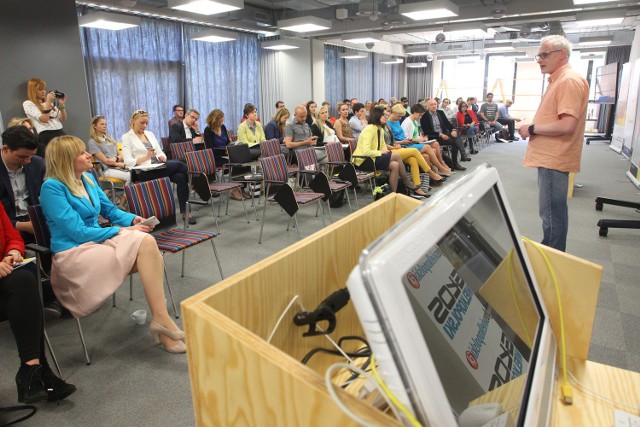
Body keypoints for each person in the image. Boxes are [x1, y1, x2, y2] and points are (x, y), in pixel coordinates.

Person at [40, 135, 186, 353]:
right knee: (146, 250)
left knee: (146, 242)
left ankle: (160, 318)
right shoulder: (51, 188)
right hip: (73, 252)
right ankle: (162, 322)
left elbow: (110, 210)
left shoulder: (87, 178)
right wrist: (121, 230)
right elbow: (77, 232)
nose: (88, 155)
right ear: (65, 159)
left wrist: (132, 219)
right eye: (81, 153)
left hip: (96, 241)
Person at [0, 203, 76, 403]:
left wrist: (13, 252)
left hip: (5, 273)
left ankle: (32, 370)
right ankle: (41, 374)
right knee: (25, 287)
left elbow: (13, 237)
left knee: (27, 278)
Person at [519, 35, 589, 252]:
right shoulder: (560, 79)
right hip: (551, 156)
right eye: (538, 55)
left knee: (552, 214)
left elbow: (567, 125)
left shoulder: (568, 81)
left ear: (562, 55)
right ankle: (552, 254)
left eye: (544, 54)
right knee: (553, 213)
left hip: (554, 158)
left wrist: (531, 128)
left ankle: (553, 259)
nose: (539, 59)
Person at [122, 110, 193, 224]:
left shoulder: (149, 134)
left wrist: (162, 157)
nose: (144, 126)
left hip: (159, 167)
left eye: (146, 123)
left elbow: (160, 152)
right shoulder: (127, 137)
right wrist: (145, 158)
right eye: (142, 123)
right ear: (134, 121)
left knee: (180, 177)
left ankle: (185, 212)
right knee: (179, 164)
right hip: (144, 172)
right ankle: (201, 181)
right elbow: (128, 162)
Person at [352, 106, 425, 196]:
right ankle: (406, 182)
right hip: (363, 161)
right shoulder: (369, 129)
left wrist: (391, 149)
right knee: (396, 156)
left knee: (395, 165)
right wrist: (381, 152)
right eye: (383, 115)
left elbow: (383, 147)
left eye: (386, 115)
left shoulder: (380, 129)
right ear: (376, 115)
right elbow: (366, 152)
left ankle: (392, 194)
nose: (386, 117)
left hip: (374, 158)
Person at [0, 126, 45, 241]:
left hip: (34, 221)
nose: (27, 161)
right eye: (22, 156)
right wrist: (21, 225)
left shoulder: (37, 164)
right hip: (5, 227)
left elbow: (42, 197)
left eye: (31, 155)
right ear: (5, 149)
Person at [386, 104, 444, 189]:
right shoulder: (388, 124)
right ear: (394, 113)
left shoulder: (396, 121)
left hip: (402, 144)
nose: (400, 118)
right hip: (399, 146)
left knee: (415, 159)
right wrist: (404, 141)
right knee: (421, 150)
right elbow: (390, 141)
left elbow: (400, 136)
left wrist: (406, 140)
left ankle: (418, 187)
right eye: (399, 116)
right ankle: (433, 171)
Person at [401, 104, 452, 176]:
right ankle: (440, 168)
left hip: (415, 143)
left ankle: (439, 167)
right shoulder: (407, 122)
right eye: (420, 115)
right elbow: (406, 139)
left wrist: (422, 138)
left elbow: (415, 135)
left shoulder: (414, 121)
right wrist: (418, 139)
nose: (420, 117)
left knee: (435, 144)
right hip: (410, 145)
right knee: (428, 150)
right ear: (415, 112)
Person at [421, 99, 470, 171]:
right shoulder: (424, 116)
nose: (434, 106)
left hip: (444, 133)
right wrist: (440, 134)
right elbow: (427, 132)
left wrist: (453, 130)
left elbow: (447, 123)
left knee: (456, 133)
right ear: (427, 106)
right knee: (454, 142)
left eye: (435, 104)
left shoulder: (440, 112)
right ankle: (456, 162)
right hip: (435, 137)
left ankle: (462, 155)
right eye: (431, 105)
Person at [23, 78, 67, 157]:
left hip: (60, 132)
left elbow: (63, 118)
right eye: (40, 89)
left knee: (66, 157)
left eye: (44, 89)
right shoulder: (28, 104)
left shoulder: (48, 103)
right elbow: (44, 119)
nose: (43, 92)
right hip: (46, 135)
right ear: (33, 91)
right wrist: (48, 102)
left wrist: (61, 105)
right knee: (53, 159)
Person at [87, 115, 130, 187]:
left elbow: (121, 156)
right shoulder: (92, 142)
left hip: (118, 166)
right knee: (130, 176)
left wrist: (116, 159)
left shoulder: (110, 139)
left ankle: (122, 196)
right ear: (94, 126)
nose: (104, 126)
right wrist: (121, 164)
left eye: (105, 124)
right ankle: (124, 198)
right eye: (102, 124)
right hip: (106, 170)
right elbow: (106, 161)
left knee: (137, 174)